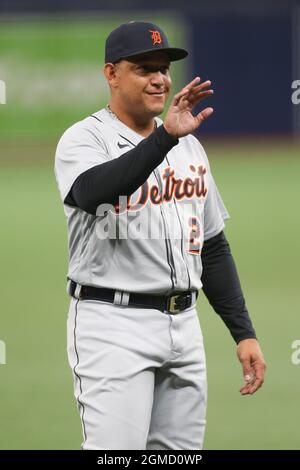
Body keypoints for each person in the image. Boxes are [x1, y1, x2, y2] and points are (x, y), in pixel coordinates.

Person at [54, 21, 266, 450]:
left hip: (184, 327)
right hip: (112, 324)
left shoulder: (188, 146)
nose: (160, 79)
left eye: (165, 68)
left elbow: (212, 244)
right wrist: (166, 137)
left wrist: (243, 332)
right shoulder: (84, 139)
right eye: (144, 68)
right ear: (111, 74)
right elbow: (95, 191)